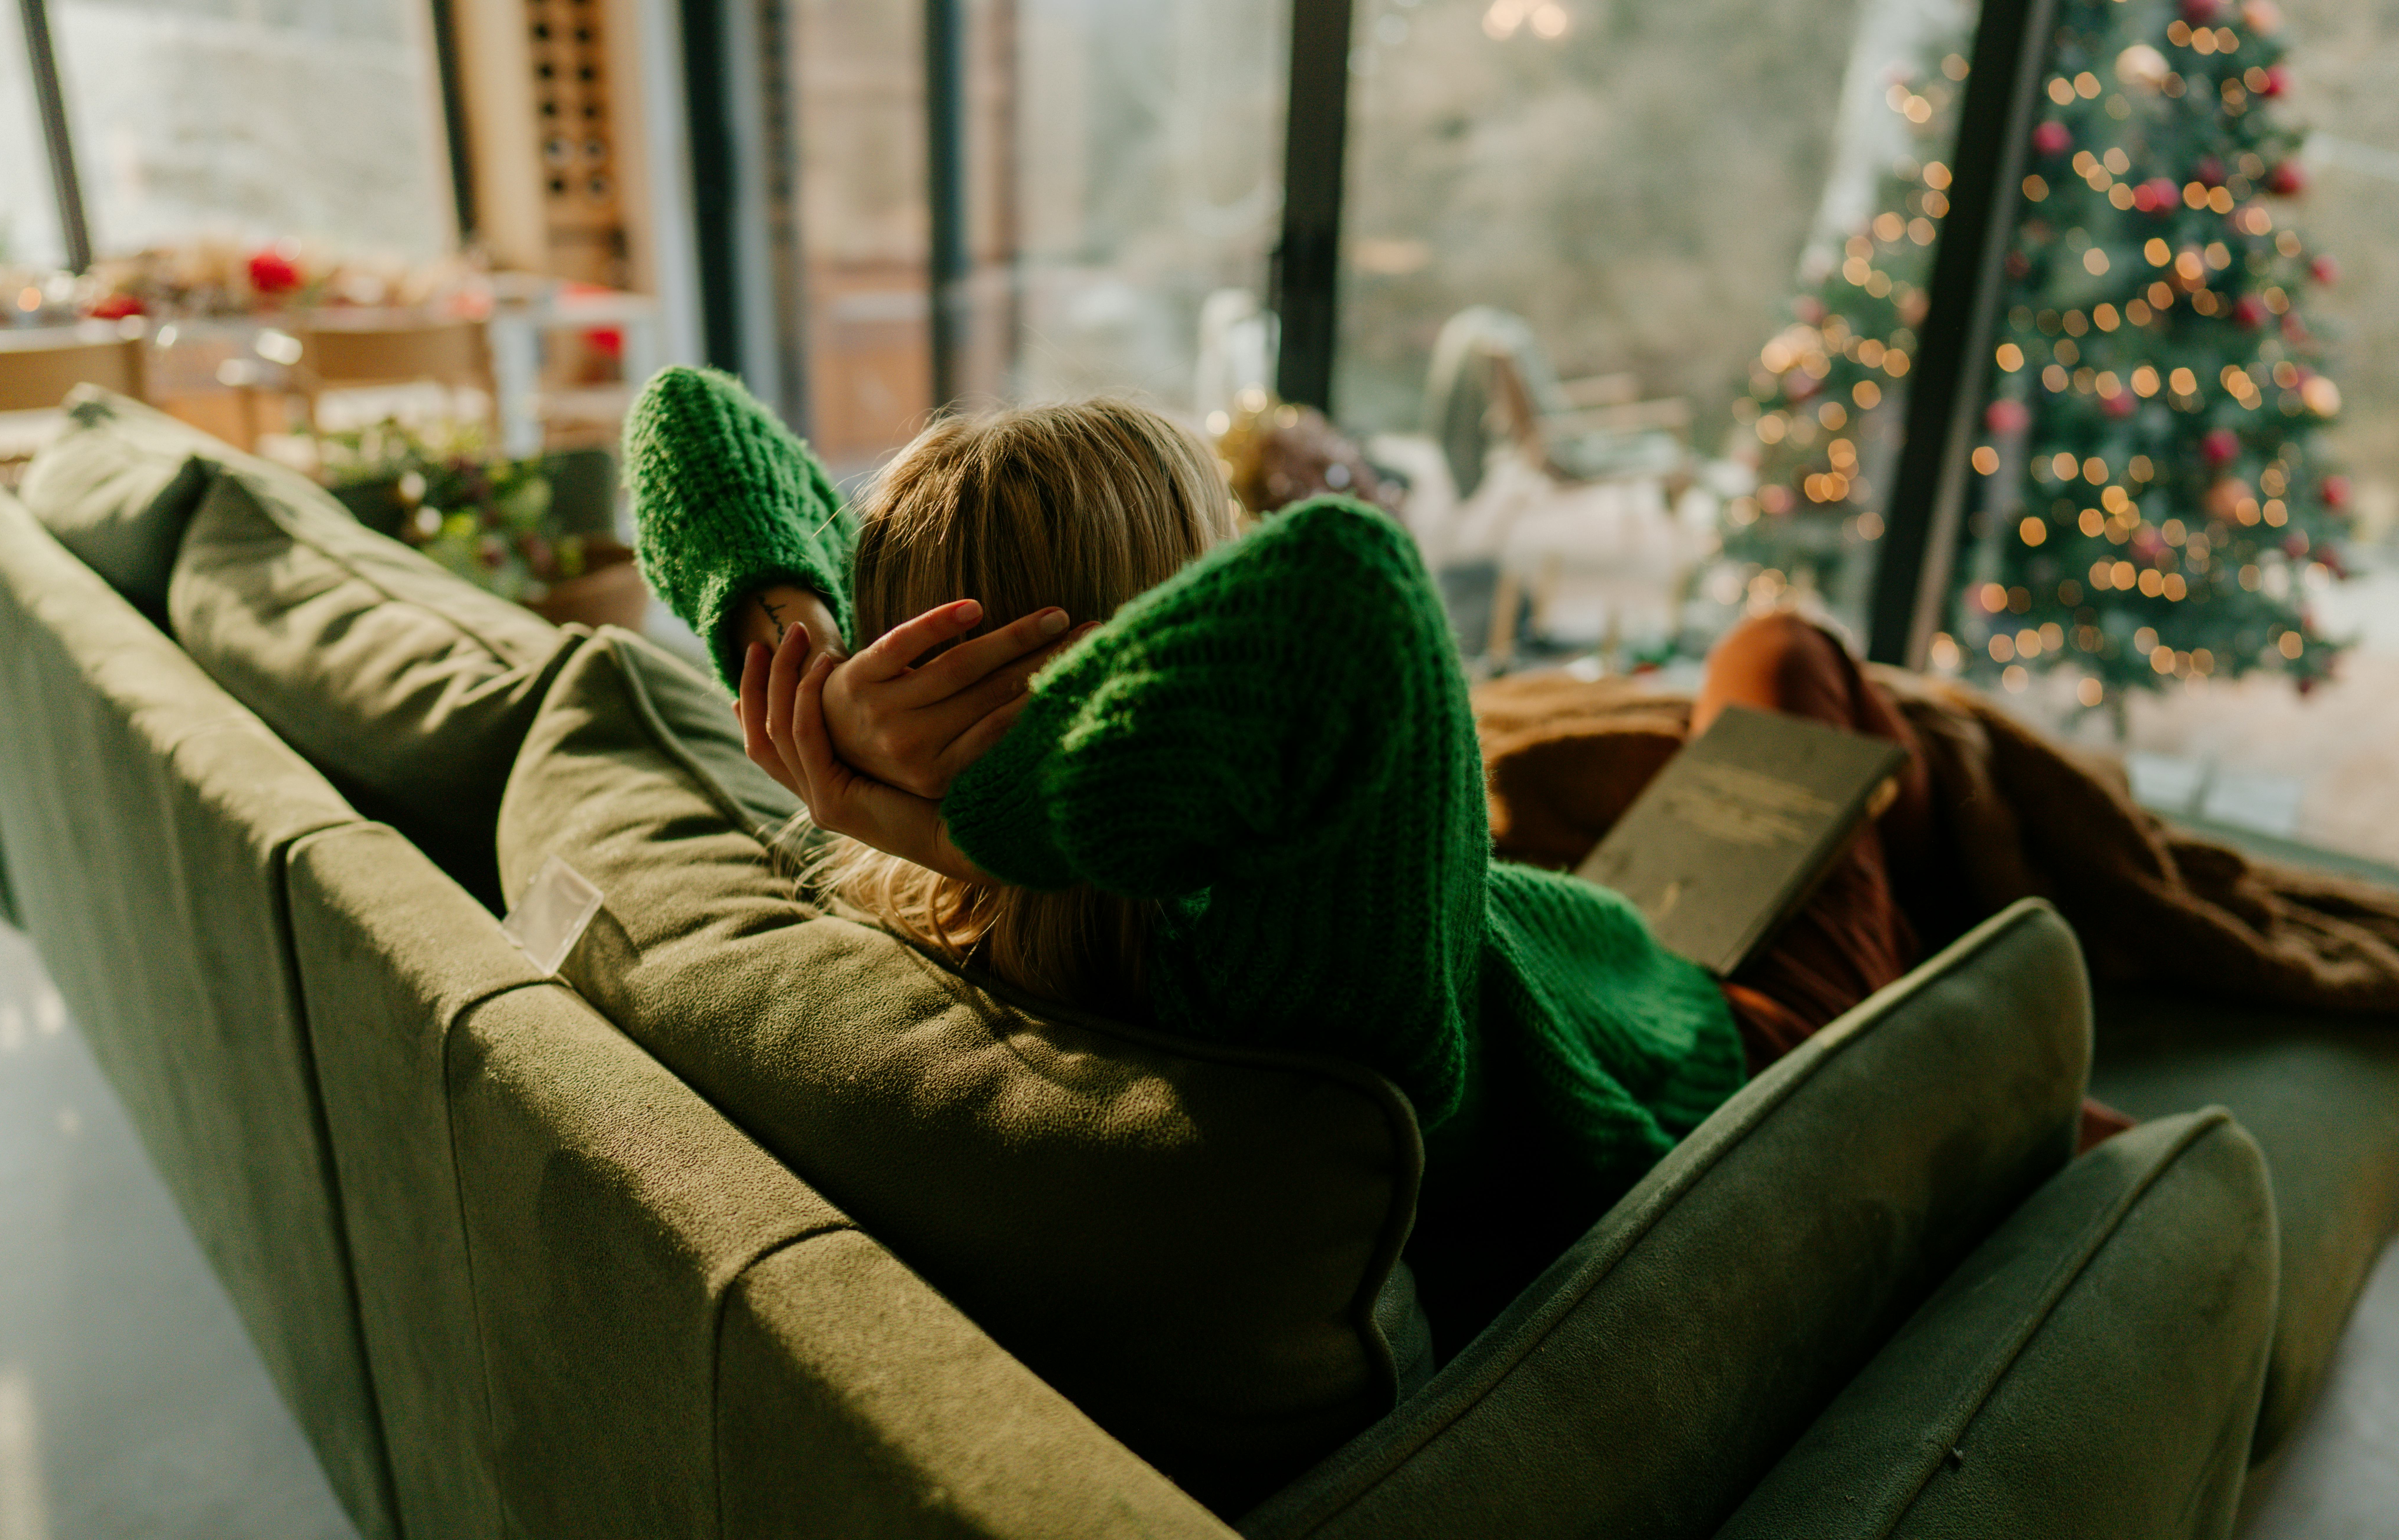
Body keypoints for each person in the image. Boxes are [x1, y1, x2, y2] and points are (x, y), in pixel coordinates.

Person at [622, 367, 2043, 1307]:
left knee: (1741, 734)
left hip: (1581, 964)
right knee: (1785, 647)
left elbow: (686, 414)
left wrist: (814, 688)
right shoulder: (1267, 963)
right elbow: (1350, 589)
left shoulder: (905, 891)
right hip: (1723, 1034)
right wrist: (975, 804)